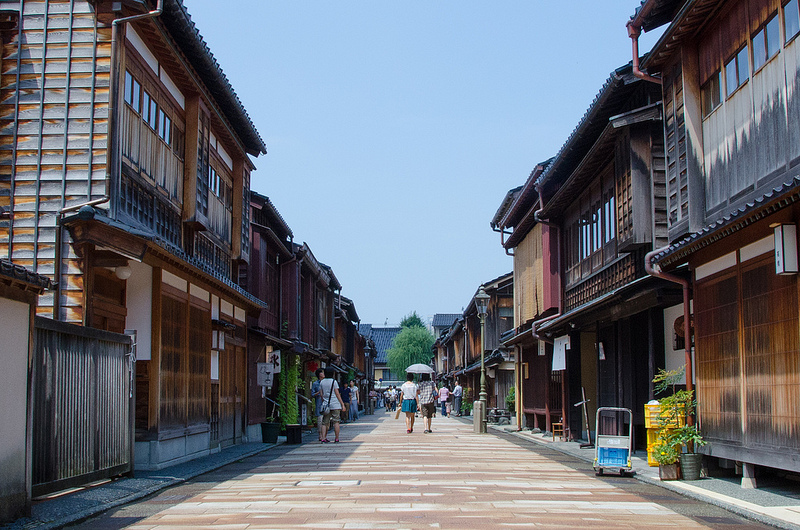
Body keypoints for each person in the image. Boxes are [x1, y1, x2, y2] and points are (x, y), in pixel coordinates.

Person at [319, 367, 346, 443]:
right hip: (335, 404)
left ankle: (323, 438)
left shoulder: (322, 382)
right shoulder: (334, 382)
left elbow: (321, 394)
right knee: (336, 421)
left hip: (326, 405)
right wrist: (342, 404)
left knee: (324, 422)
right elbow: (337, 394)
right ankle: (336, 438)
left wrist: (324, 402)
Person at [310, 368, 325, 441]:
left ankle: (324, 435)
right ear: (319, 374)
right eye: (322, 373)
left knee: (326, 421)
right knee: (320, 420)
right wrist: (318, 392)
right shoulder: (315, 384)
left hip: (325, 404)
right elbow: (312, 394)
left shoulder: (326, 383)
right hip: (319, 403)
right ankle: (320, 435)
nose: (323, 374)